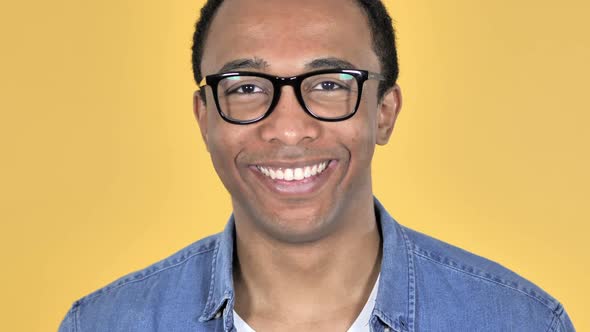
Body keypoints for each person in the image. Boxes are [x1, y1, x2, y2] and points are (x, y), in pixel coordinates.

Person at [59, 0, 575, 331]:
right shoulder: (103, 324)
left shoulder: (522, 322)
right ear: (205, 118)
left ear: (385, 113)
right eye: (245, 88)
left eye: (329, 84)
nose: (287, 128)